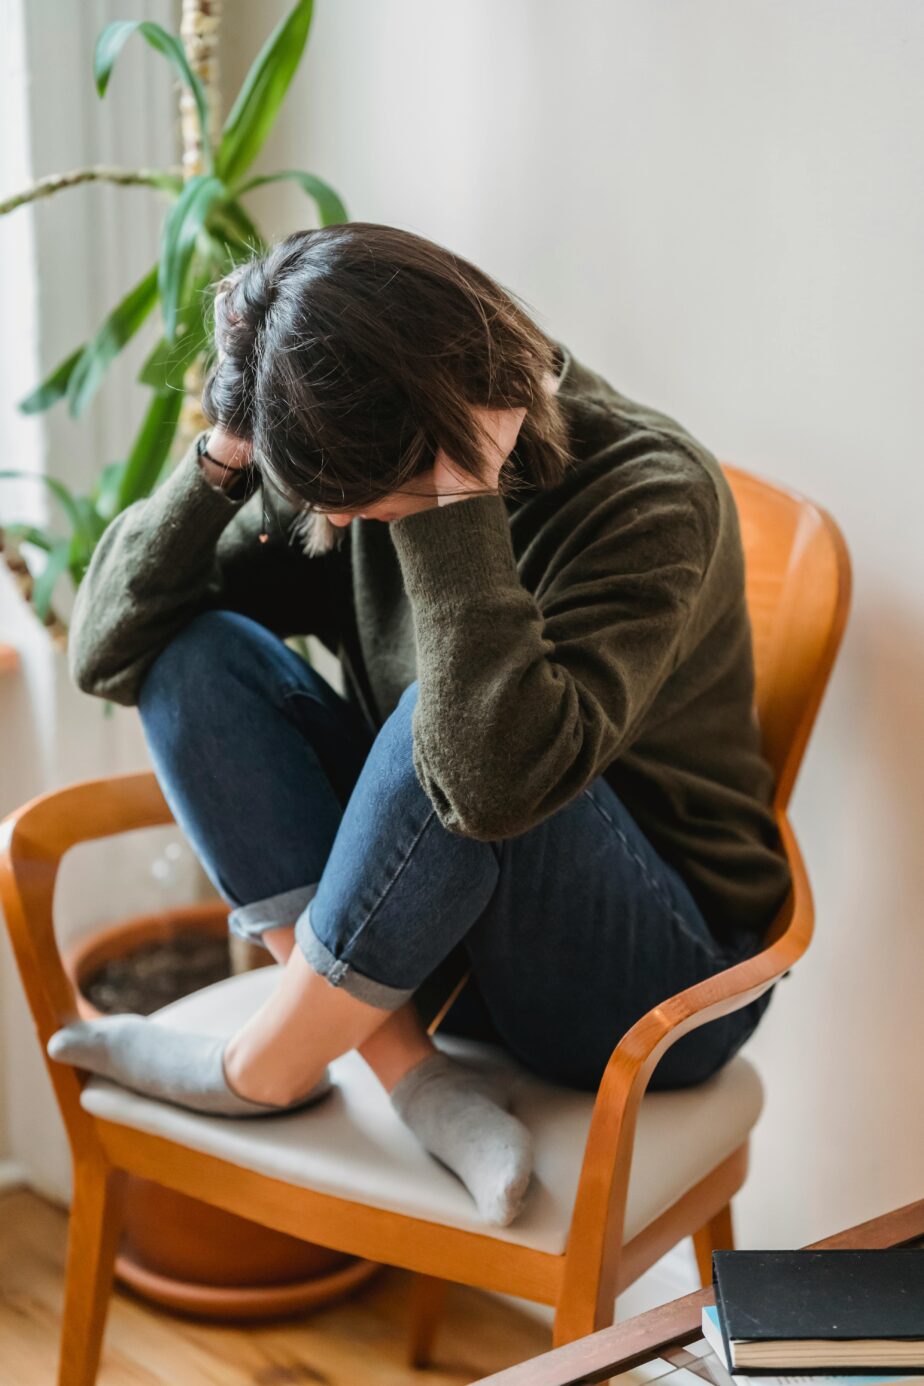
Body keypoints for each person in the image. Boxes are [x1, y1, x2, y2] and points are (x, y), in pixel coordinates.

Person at [46, 223, 793, 1227]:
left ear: (434, 438)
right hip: (429, 944)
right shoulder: (355, 455)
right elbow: (108, 652)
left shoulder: (650, 494)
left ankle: (258, 1066)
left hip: (653, 990)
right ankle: (413, 1077)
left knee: (451, 724)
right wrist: (228, 449)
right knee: (193, 655)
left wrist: (455, 508)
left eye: (365, 505)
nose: (343, 526)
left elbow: (487, 784)